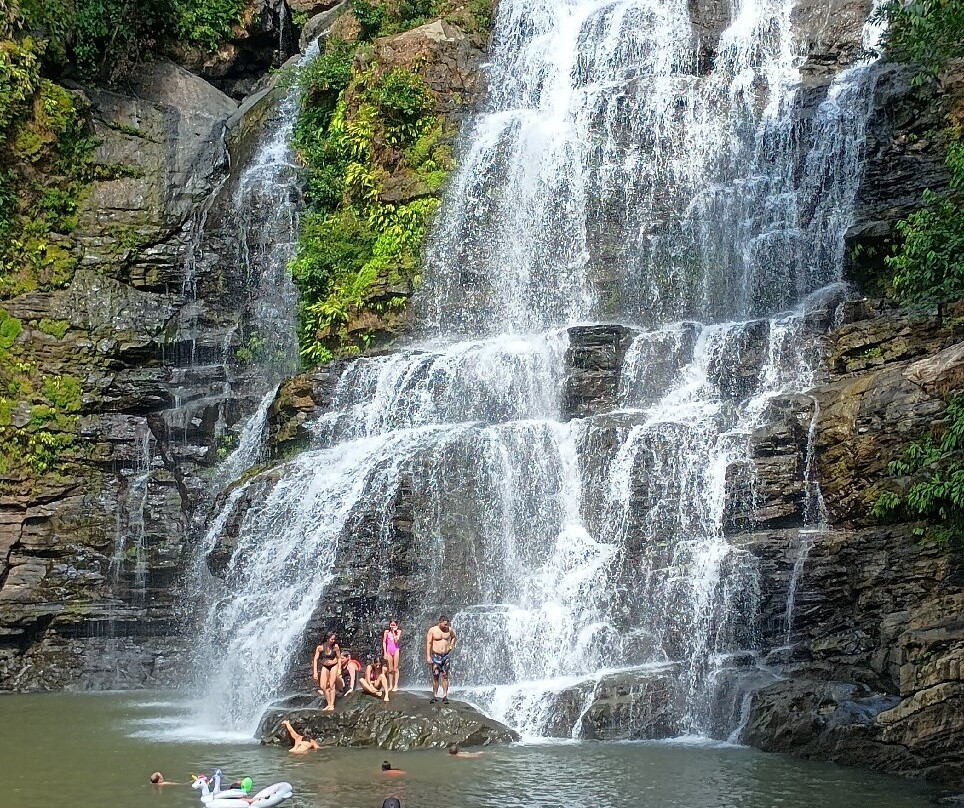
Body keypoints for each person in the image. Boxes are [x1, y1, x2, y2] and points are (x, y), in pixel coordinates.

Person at [425, 614, 456, 704]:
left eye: (447, 624)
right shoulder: (432, 630)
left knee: (445, 676)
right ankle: (435, 695)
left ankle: (445, 696)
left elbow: (453, 637)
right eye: (445, 624)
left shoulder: (449, 630)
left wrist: (451, 645)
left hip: (445, 655)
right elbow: (429, 643)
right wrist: (428, 656)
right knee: (436, 676)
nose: (446, 626)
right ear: (440, 622)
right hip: (436, 656)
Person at [312, 632, 341, 712]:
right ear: (327, 639)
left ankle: (332, 704)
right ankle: (328, 704)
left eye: (334, 639)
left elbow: (339, 658)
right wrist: (315, 672)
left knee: (332, 684)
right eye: (332, 639)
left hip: (334, 665)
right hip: (325, 666)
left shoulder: (335, 647)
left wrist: (339, 669)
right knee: (323, 686)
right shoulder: (320, 647)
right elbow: (315, 659)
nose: (333, 640)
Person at [382, 619, 402, 692]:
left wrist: (394, 632)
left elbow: (396, 640)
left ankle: (395, 685)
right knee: (390, 669)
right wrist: (385, 652)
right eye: (391, 624)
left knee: (395, 668)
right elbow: (384, 642)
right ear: (389, 625)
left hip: (396, 650)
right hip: (388, 650)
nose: (392, 626)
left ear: (396, 625)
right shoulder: (386, 632)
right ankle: (390, 685)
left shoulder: (399, 632)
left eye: (394, 625)